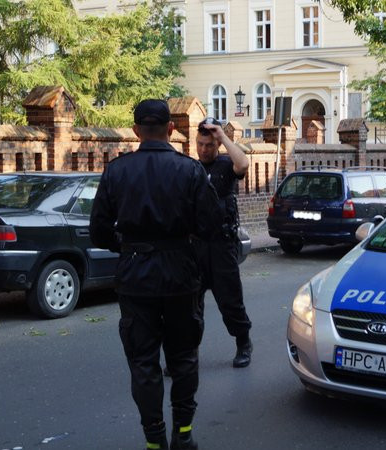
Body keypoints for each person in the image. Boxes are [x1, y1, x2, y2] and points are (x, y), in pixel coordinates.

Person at [90, 99, 223, 450]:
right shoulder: (191, 170)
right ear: (170, 130)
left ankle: (154, 441)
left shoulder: (117, 171)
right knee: (184, 358)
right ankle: (183, 435)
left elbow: (99, 231)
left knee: (143, 362)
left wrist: (128, 246)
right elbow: (211, 225)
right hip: (181, 275)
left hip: (136, 277)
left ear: (136, 131)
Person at [194, 117, 254, 368]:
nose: (203, 149)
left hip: (222, 246)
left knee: (230, 301)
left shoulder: (226, 165)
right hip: (195, 247)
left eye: (208, 144)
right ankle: (187, 353)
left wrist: (223, 136)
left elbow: (244, 163)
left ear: (216, 144)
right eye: (200, 144)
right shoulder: (190, 168)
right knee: (189, 307)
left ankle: (243, 343)